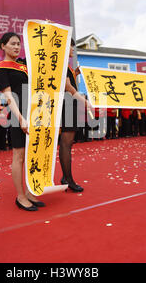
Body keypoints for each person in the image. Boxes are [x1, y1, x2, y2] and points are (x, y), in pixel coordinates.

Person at [0, 32, 42, 211]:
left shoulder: (24, 63)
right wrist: (21, 118)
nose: (16, 47)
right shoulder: (1, 67)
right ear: (3, 46)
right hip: (18, 114)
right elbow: (8, 97)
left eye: (18, 44)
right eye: (12, 44)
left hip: (35, 113)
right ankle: (20, 196)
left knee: (32, 155)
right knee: (19, 155)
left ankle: (29, 192)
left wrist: (46, 29)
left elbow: (41, 52)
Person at [59, 38, 92, 192]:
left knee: (68, 143)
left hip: (70, 105)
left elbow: (71, 85)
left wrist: (75, 73)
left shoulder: (67, 67)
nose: (73, 49)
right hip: (67, 105)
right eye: (71, 46)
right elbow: (67, 87)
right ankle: (69, 180)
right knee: (66, 143)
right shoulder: (61, 64)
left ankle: (66, 177)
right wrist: (84, 100)